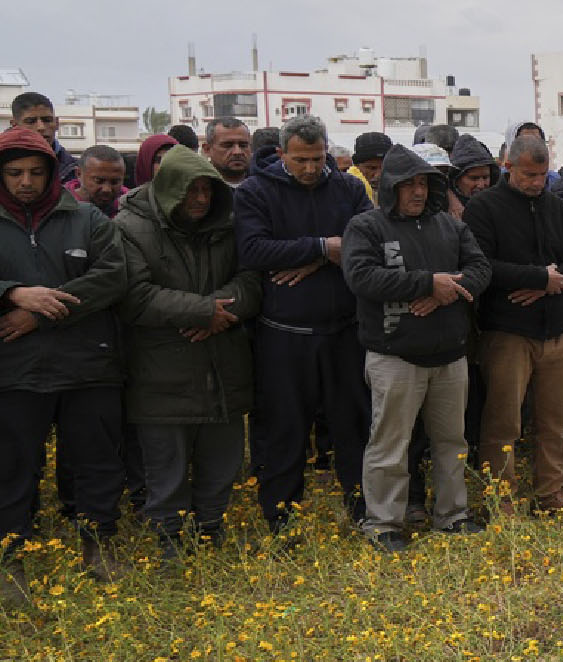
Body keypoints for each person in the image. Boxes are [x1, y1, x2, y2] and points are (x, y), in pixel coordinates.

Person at [0, 127, 129, 596]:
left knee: (96, 462)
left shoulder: (88, 219)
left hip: (87, 365)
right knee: (12, 466)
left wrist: (41, 314)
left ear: (54, 173)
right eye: (14, 173)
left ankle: (98, 545)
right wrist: (12, 293)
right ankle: (10, 555)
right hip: (15, 370)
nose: (26, 182)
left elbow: (113, 278)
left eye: (36, 172)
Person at [341, 145, 491, 549]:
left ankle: (452, 515)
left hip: (449, 354)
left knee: (451, 443)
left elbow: (481, 269)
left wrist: (447, 291)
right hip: (394, 355)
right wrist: (427, 283)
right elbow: (361, 278)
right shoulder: (366, 227)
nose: (417, 192)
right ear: (390, 187)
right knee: (390, 444)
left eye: (423, 183)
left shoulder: (450, 225)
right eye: (408, 185)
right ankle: (383, 524)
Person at [234, 115, 373, 534]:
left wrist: (309, 259)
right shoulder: (257, 191)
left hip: (344, 331)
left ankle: (364, 509)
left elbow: (370, 242)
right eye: (300, 160)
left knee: (354, 426)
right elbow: (254, 250)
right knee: (284, 431)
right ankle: (283, 520)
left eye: (317, 158)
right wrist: (320, 247)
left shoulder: (348, 188)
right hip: (283, 335)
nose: (311, 169)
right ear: (281, 155)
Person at [117, 146, 258, 559]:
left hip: (223, 361)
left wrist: (219, 310)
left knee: (222, 457)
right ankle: (169, 541)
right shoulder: (129, 227)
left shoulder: (229, 225)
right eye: (191, 191)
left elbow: (251, 279)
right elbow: (134, 295)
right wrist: (201, 311)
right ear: (168, 189)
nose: (200, 199)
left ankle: (211, 529)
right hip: (161, 367)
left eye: (207, 191)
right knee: (167, 462)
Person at [466, 135, 563, 517]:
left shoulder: (556, 208)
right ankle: (499, 501)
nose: (537, 182)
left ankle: (551, 494)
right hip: (508, 333)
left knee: (554, 422)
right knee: (504, 423)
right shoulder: (483, 208)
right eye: (528, 175)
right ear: (507, 168)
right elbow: (481, 265)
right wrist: (539, 278)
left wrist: (550, 284)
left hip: (557, 330)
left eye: (541, 175)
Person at [9, 93, 79, 185]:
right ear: (14, 125)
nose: (41, 127)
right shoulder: (3, 164)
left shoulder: (77, 170)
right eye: (31, 121)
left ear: (57, 123)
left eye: (47, 120)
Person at [448, 134, 497, 222]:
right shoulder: (444, 214)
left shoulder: (498, 206)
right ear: (457, 179)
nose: (481, 185)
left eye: (485, 177)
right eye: (474, 178)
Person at [71, 145, 127, 217]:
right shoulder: (59, 208)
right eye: (98, 181)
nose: (107, 189)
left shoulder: (132, 206)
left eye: (115, 182)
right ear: (79, 174)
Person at [203, 118, 252, 187]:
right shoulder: (197, 187)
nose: (237, 152)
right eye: (227, 145)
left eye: (243, 145)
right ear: (207, 149)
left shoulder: (266, 185)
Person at [348, 133, 391, 205]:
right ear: (357, 166)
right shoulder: (345, 194)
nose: (379, 174)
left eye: (385, 168)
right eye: (372, 168)